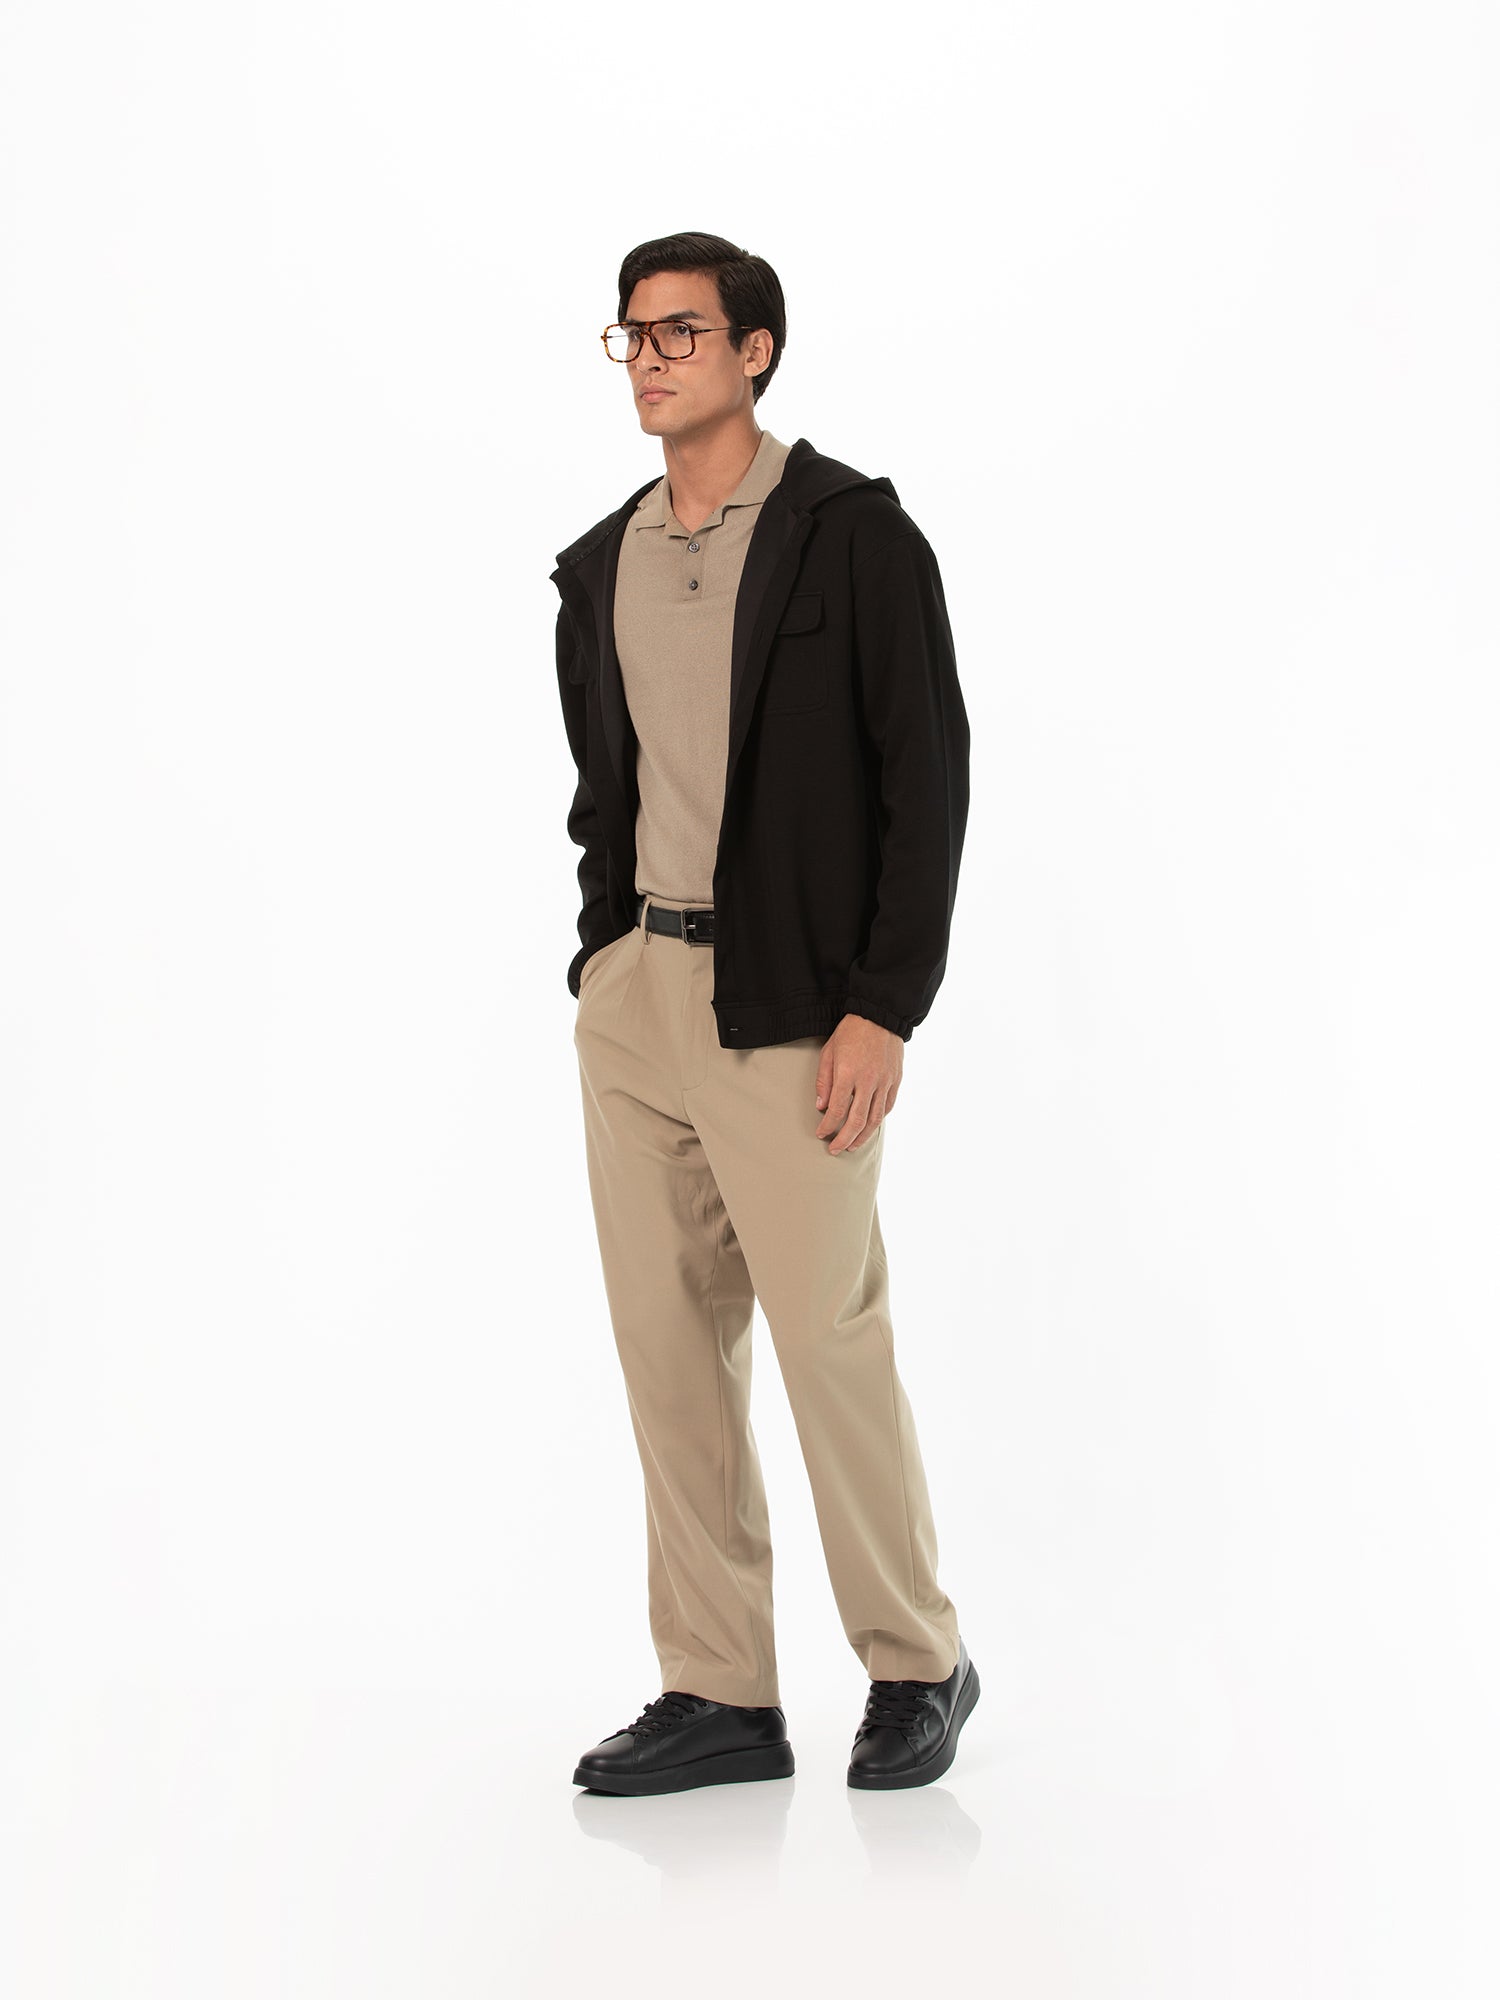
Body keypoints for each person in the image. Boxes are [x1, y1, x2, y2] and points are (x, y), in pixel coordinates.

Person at [552, 231, 978, 1795]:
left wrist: (886, 1006)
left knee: (825, 1337)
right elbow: (604, 793)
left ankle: (918, 1659)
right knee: (670, 1355)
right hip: (640, 1007)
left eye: (683, 331)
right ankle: (720, 1691)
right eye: (634, 333)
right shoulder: (597, 564)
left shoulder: (853, 537)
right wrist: (603, 962)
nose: (652, 357)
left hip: (796, 1001)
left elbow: (927, 779)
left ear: (756, 352)